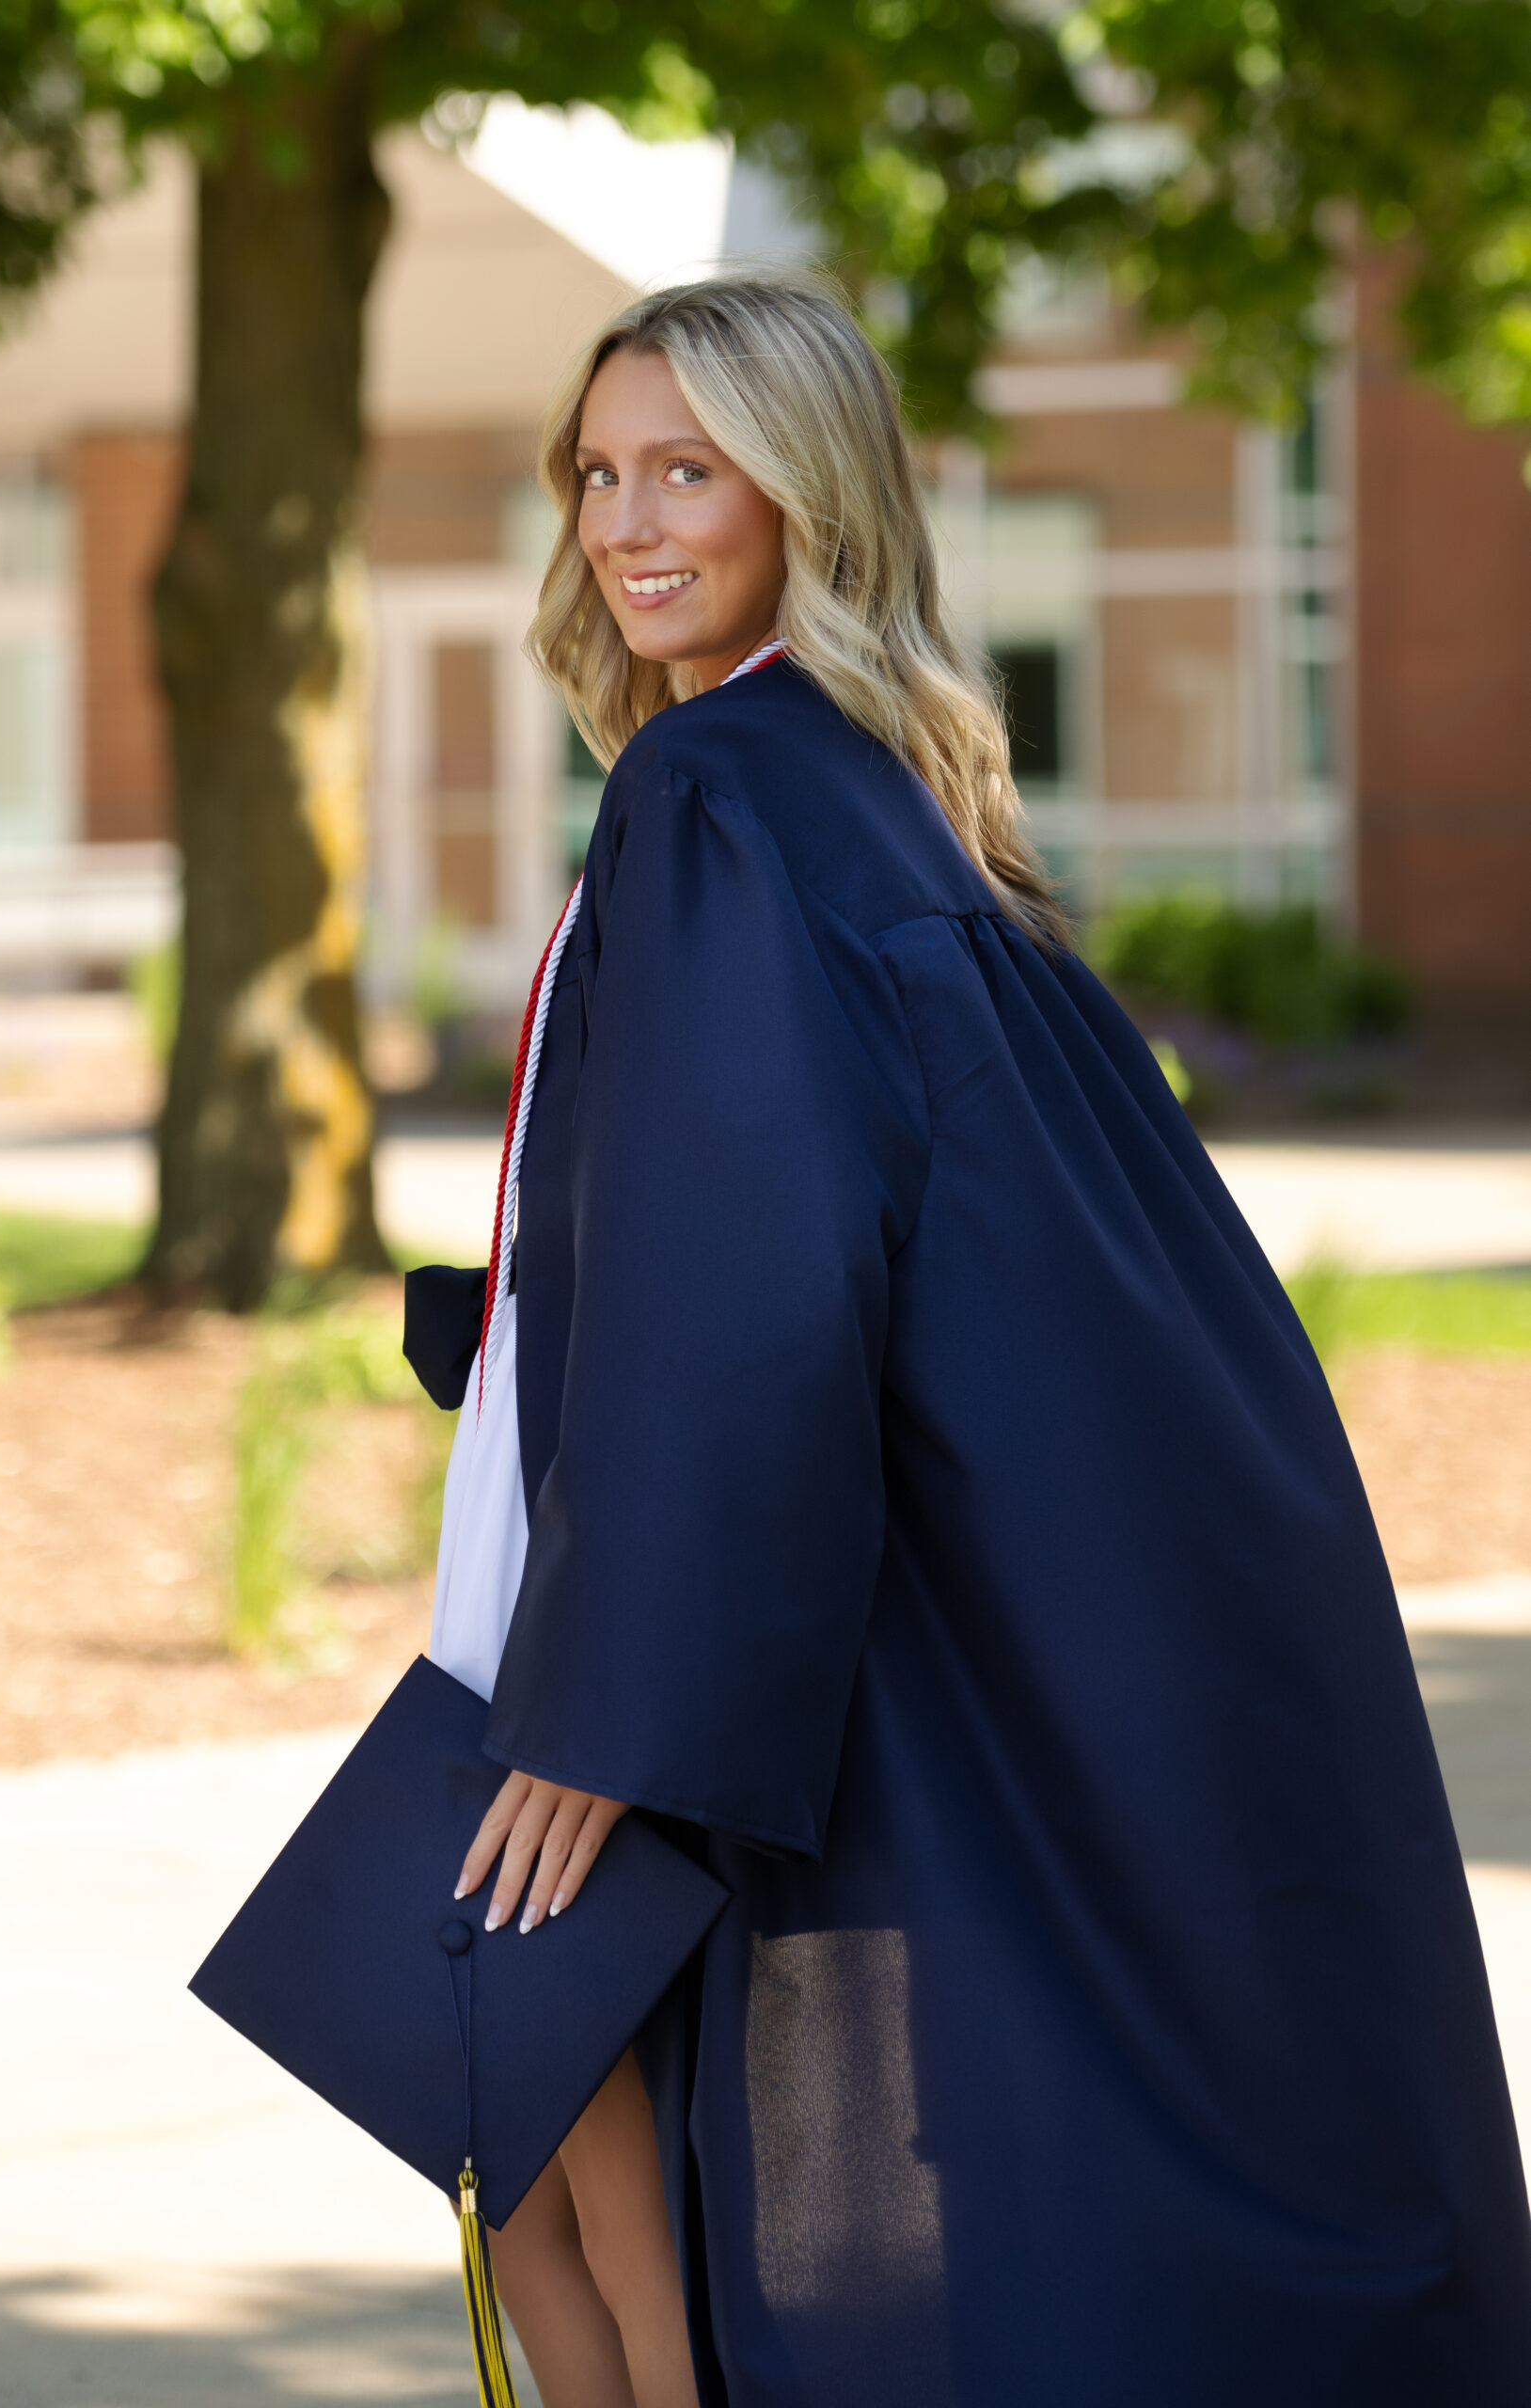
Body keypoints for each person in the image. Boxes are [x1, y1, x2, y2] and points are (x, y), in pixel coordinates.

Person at [435, 271, 1531, 2407]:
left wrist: (608, 1693)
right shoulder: (843, 780)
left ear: (806, 494)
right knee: (621, 2176)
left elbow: (759, 1261)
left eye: (688, 468)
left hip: (722, 1608)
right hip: (846, 1550)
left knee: (596, 2177)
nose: (628, 522)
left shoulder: (725, 790)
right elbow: (780, 1197)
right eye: (596, 473)